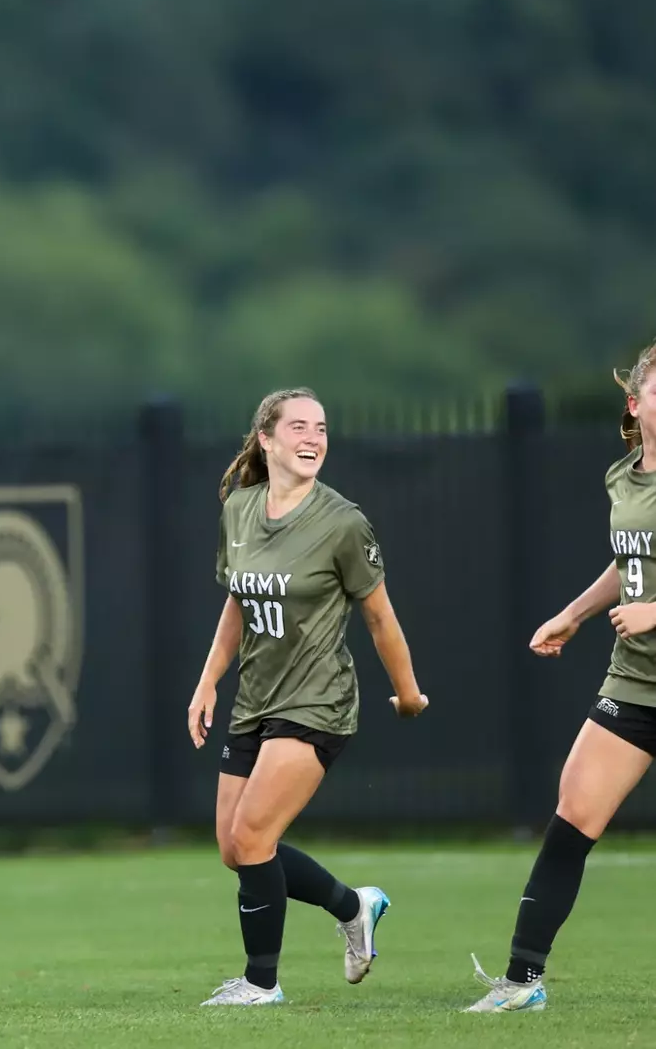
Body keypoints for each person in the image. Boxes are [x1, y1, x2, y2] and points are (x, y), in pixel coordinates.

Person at [187, 388, 430, 1006]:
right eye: (298, 427)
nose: (313, 438)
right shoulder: (240, 508)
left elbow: (380, 617)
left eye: (320, 428)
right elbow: (238, 603)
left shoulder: (343, 522)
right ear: (265, 439)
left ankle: (260, 984)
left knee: (252, 837)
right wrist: (208, 681)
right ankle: (354, 907)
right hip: (255, 699)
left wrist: (408, 694)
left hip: (318, 701)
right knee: (235, 848)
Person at [465, 342, 656, 1013]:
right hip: (636, 682)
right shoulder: (624, 477)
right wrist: (574, 614)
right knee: (572, 814)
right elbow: (629, 562)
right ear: (634, 403)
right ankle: (522, 983)